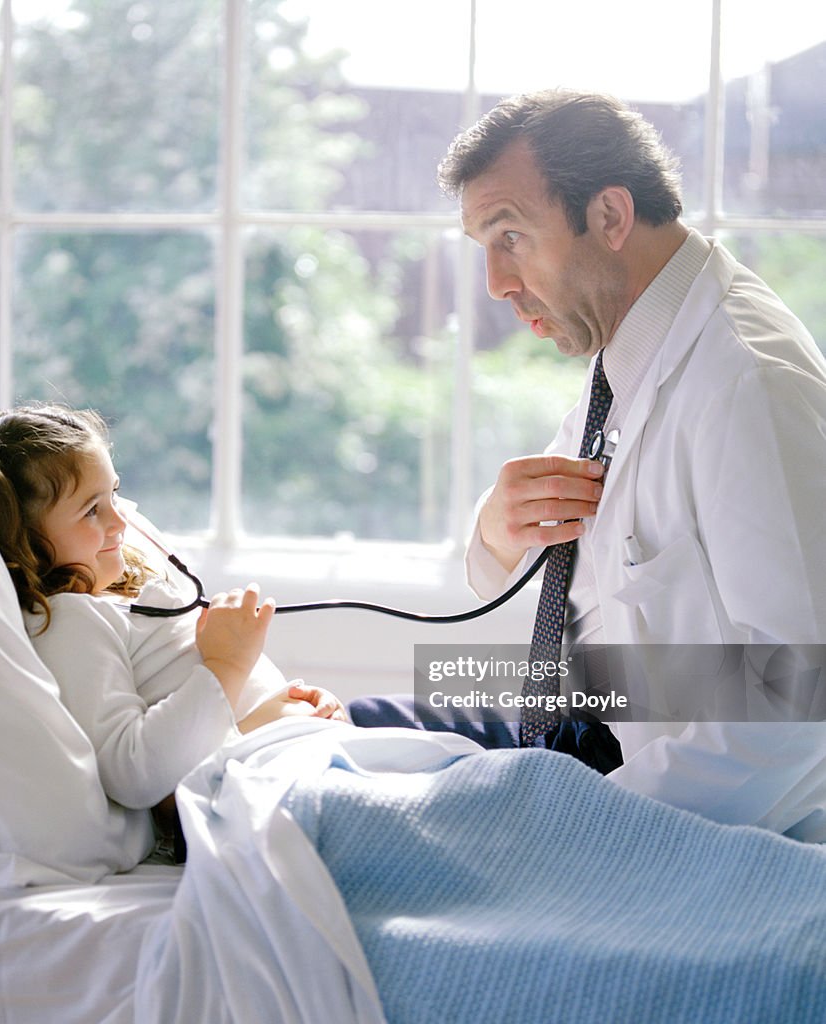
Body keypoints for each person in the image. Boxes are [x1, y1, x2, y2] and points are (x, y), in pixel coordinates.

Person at [352, 89, 826, 842]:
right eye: (482, 246)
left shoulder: (746, 383)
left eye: (510, 236)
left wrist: (586, 832)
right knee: (335, 734)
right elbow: (564, 550)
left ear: (608, 217)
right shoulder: (636, 344)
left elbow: (803, 697)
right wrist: (498, 529)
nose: (496, 284)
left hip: (664, 800)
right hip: (586, 723)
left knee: (350, 809)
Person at [0, 404, 346, 861]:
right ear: (20, 541)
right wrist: (229, 667)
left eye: (114, 496)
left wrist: (291, 709)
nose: (120, 523)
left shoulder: (117, 600)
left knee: (416, 713)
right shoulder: (69, 621)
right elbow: (138, 773)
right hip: (268, 791)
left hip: (300, 757)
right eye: (91, 511)